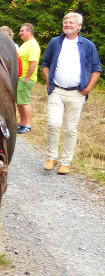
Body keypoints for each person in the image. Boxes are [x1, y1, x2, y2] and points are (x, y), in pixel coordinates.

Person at [42, 12, 102, 175]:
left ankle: (65, 162)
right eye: (65, 22)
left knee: (70, 128)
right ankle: (52, 157)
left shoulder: (87, 45)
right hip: (57, 91)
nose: (67, 24)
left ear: (79, 26)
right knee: (53, 124)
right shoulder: (55, 42)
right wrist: (49, 83)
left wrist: (87, 89)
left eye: (71, 22)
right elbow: (45, 64)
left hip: (77, 93)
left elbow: (97, 69)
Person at [16, 24, 40, 134]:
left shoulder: (33, 45)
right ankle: (22, 123)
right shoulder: (25, 44)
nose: (20, 33)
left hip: (26, 78)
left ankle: (28, 125)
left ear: (29, 31)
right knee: (19, 101)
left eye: (22, 31)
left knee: (24, 101)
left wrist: (27, 77)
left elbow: (34, 62)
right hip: (20, 77)